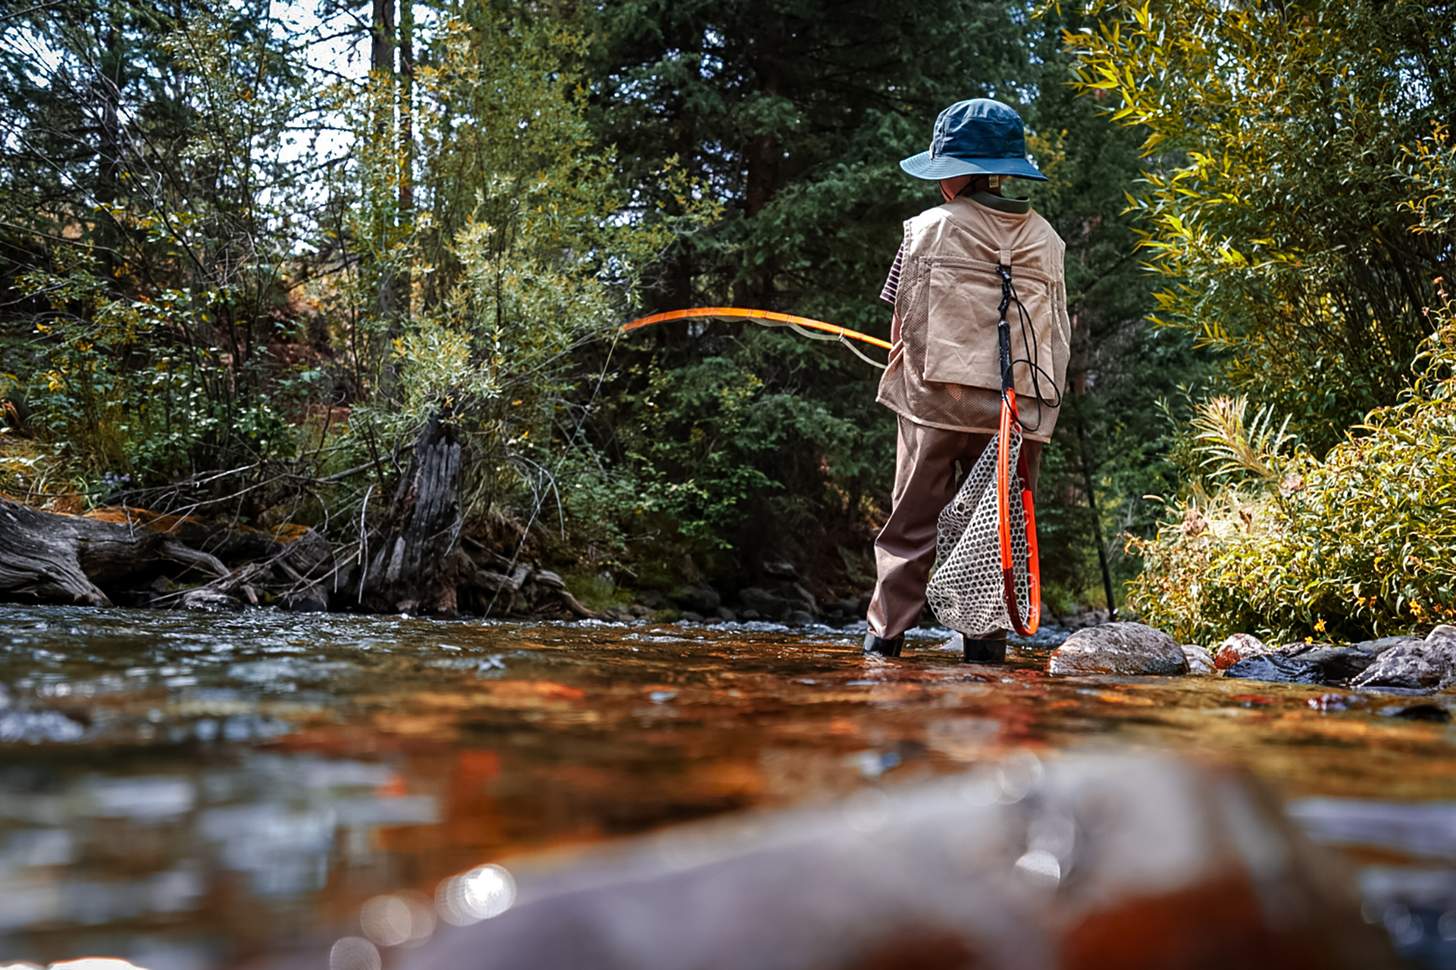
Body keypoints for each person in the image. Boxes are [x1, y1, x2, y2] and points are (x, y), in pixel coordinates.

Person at [864, 98, 1071, 663]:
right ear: (1004, 170)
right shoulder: (1048, 241)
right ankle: (985, 662)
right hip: (1016, 413)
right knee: (996, 536)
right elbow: (1059, 331)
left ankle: (884, 648)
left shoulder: (923, 231)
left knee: (909, 529)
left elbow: (900, 322)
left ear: (961, 171)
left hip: (934, 403)